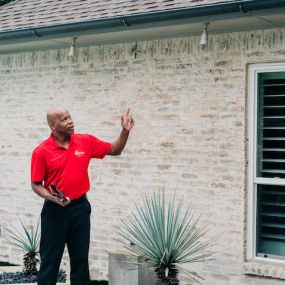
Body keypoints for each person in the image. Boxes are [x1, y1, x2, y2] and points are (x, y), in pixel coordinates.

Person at [30, 106, 134, 285]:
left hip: (80, 209)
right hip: (55, 212)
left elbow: (115, 149)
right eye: (64, 119)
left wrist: (124, 131)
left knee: (80, 261)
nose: (70, 121)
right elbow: (36, 184)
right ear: (53, 125)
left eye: (70, 117)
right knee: (50, 262)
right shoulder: (41, 152)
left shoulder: (85, 141)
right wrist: (52, 198)